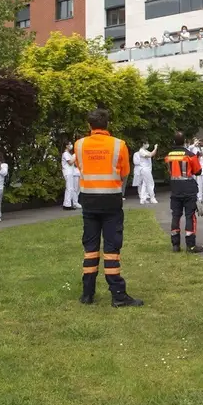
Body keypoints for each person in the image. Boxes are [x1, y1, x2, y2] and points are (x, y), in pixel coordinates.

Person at [75, 108, 142, 307]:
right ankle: (118, 295)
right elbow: (124, 173)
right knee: (112, 248)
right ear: (107, 124)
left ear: (89, 126)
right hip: (111, 201)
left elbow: (80, 168)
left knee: (90, 248)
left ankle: (87, 293)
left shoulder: (79, 145)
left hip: (88, 200)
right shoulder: (118, 145)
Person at [165, 132, 203, 253]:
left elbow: (170, 171)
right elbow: (198, 171)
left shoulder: (168, 156)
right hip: (188, 188)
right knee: (190, 216)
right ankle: (191, 245)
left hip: (175, 189)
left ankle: (175, 245)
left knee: (175, 216)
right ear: (184, 141)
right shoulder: (190, 155)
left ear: (174, 141)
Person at [61, 142, 80, 209]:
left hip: (71, 173)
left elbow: (74, 164)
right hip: (67, 172)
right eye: (69, 144)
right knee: (69, 188)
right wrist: (75, 156)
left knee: (70, 188)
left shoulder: (69, 154)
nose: (71, 145)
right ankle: (67, 205)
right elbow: (70, 163)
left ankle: (68, 204)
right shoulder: (65, 154)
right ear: (66, 146)